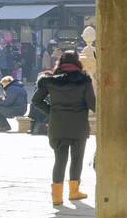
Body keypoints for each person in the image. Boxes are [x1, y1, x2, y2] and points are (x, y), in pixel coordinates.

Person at [32, 50, 94, 207]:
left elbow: (36, 100)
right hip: (79, 126)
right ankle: (74, 191)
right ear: (77, 62)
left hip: (58, 125)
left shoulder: (51, 81)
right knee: (77, 159)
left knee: (60, 160)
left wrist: (52, 111)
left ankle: (57, 196)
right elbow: (92, 104)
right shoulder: (84, 80)